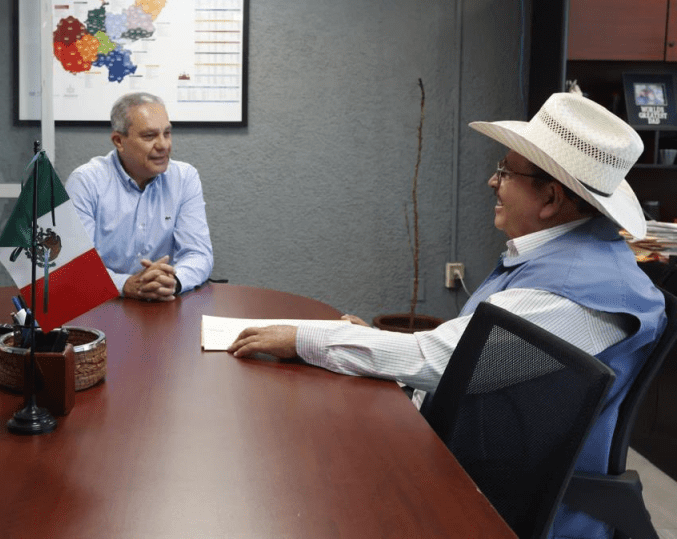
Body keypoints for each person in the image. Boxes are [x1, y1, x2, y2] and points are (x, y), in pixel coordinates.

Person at [228, 93, 666, 539]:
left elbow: (446, 362)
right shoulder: (569, 257)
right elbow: (469, 347)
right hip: (480, 462)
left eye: (505, 172)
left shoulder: (575, 291)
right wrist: (376, 341)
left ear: (551, 198)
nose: (492, 182)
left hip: (502, 502)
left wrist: (303, 338)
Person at [65, 92, 213, 301]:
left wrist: (173, 280)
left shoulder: (184, 178)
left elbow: (198, 254)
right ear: (119, 141)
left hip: (163, 303)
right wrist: (125, 284)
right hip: (103, 303)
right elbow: (76, 267)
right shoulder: (86, 182)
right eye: (150, 136)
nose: (163, 145)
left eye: (167, 133)